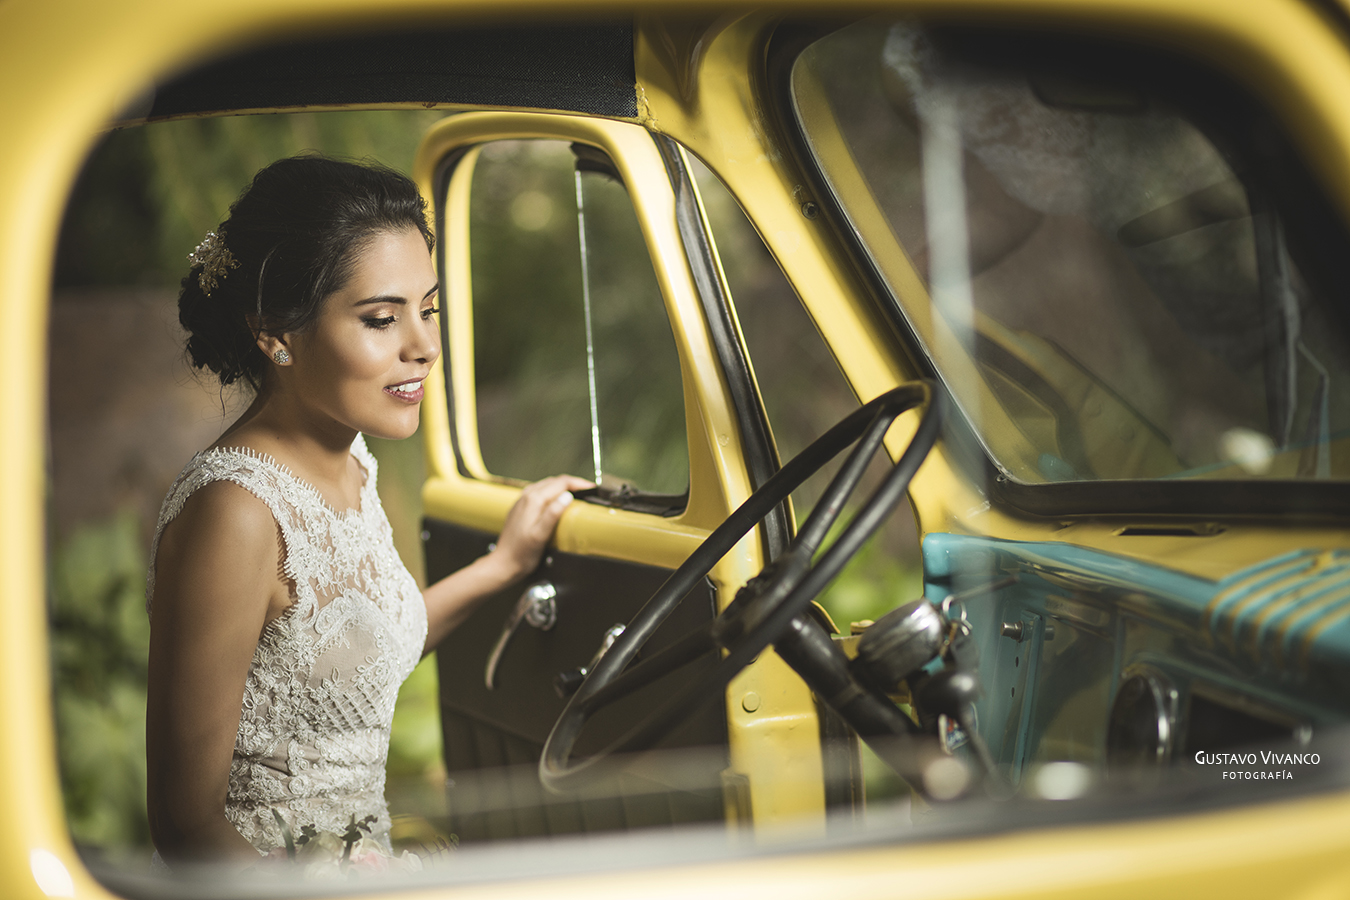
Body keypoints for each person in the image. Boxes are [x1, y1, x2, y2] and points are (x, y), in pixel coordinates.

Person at [144, 155, 591, 867]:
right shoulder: (236, 512)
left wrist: (502, 565)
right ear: (275, 334)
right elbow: (185, 827)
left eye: (430, 309)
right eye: (382, 319)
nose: (425, 347)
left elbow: (360, 654)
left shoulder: (353, 467)